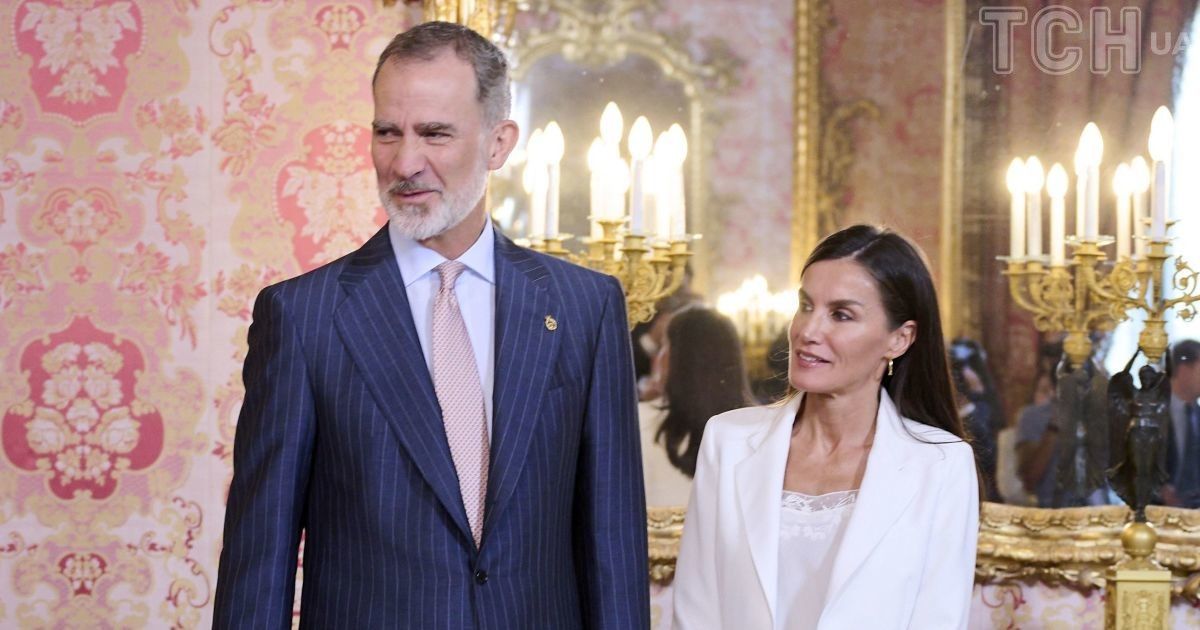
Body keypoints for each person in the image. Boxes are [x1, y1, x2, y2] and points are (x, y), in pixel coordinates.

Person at [212, 22, 649, 629]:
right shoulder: (303, 317)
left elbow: (613, 544)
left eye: (435, 133)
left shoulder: (585, 307)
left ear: (498, 143)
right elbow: (259, 559)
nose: (404, 162)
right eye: (387, 132)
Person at [673, 225, 979, 629]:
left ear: (899, 339)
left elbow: (937, 619)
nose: (808, 331)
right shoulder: (728, 440)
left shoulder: (940, 465)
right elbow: (696, 610)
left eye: (841, 314)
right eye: (805, 305)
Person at [638, 306, 754, 505]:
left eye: (664, 345)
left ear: (679, 360)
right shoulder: (758, 429)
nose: (659, 357)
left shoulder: (638, 423)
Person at [1165, 339, 1200, 508]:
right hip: (1155, 512)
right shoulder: (1151, 410)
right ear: (1184, 370)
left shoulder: (1197, 414)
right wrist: (1161, 490)